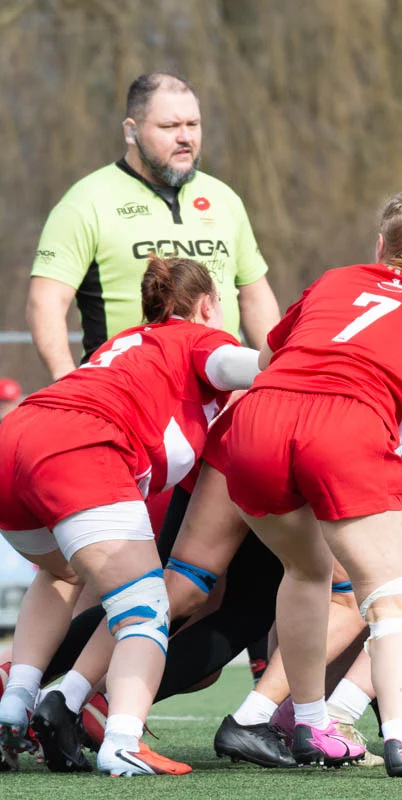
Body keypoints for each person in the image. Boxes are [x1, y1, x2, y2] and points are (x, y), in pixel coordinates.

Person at [221, 189, 402, 778]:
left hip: (256, 423)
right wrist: (384, 492)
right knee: (391, 598)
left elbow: (274, 354)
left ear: (380, 245)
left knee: (306, 571)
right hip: (345, 428)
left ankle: (309, 724)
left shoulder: (334, 280)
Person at [0, 254, 260, 775]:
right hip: (80, 446)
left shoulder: (126, 341)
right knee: (145, 608)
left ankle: (13, 707)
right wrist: (301, 362)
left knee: (61, 572)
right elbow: (236, 367)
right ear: (208, 304)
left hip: (16, 438)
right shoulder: (199, 338)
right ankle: (123, 739)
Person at [27, 71, 280, 380]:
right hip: (125, 396)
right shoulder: (86, 201)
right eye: (169, 126)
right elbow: (46, 301)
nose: (186, 137)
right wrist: (66, 381)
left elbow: (255, 296)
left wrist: (277, 371)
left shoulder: (223, 197)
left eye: (193, 124)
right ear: (131, 132)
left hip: (220, 396)